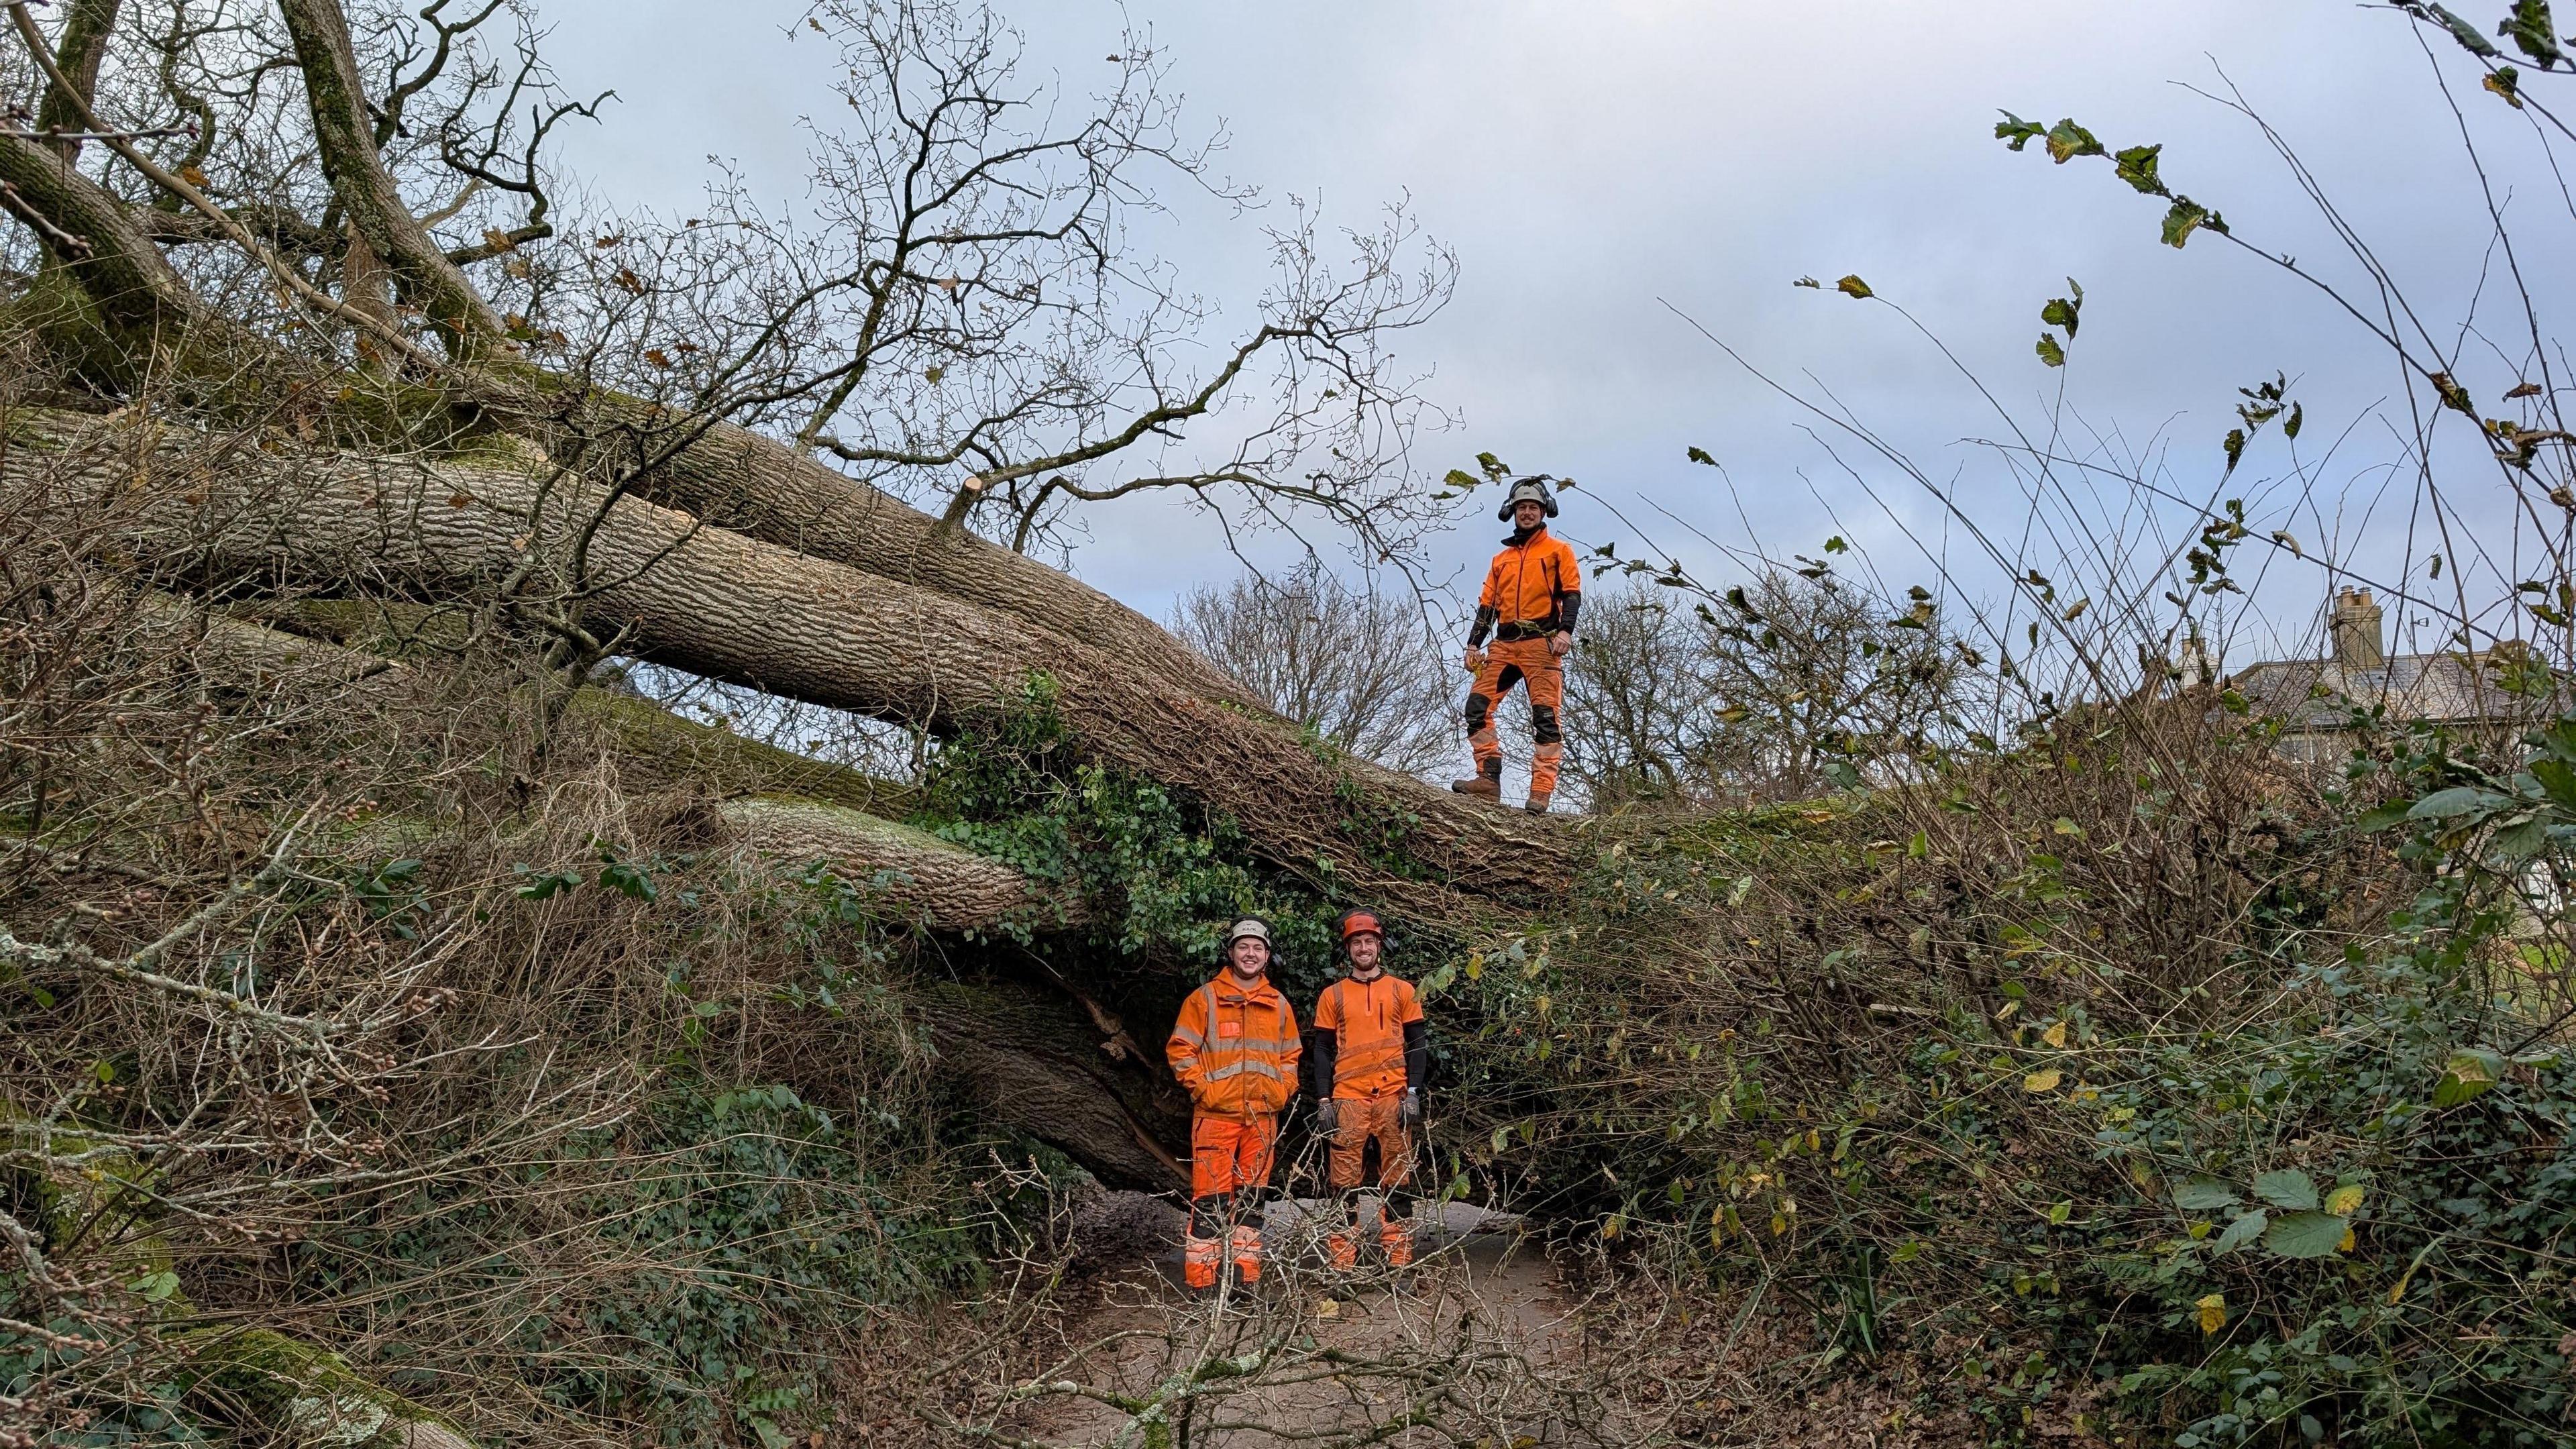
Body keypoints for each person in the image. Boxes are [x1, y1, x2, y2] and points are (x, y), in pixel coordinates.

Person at [1166, 917, 1302, 1291]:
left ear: (1267, 956)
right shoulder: (1205, 998)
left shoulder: (1279, 1005)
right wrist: (1204, 1091)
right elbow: (1181, 1051)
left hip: (1262, 1119)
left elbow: (1291, 1057)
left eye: (1257, 948)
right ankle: (1204, 1285)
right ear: (1231, 952)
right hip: (1216, 1117)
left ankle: (1244, 1281)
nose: (1250, 953)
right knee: (1209, 1202)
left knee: (1252, 1203)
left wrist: (1281, 1091)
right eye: (1243, 946)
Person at [1453, 476, 1582, 814]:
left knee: (1545, 718)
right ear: (1512, 511)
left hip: (1543, 644)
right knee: (1477, 708)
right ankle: (1487, 779)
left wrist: (1565, 631)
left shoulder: (1559, 551)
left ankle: (1540, 791)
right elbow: (1488, 606)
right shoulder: (1501, 559)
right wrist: (1472, 645)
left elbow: (1572, 594)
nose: (1527, 513)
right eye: (1522, 507)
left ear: (1544, 512)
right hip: (1504, 646)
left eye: (1533, 508)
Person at [1307, 908, 1428, 1270]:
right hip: (1348, 1100)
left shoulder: (1404, 991)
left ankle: (1399, 1262)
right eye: (1356, 942)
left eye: (1369, 941)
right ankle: (1342, 1266)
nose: (1363, 948)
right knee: (1343, 1185)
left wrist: (1413, 1093)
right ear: (1349, 949)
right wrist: (1324, 1099)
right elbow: (1322, 1050)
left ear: (1379, 945)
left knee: (1399, 1181)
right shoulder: (1333, 995)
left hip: (1394, 1098)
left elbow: (1418, 1045)